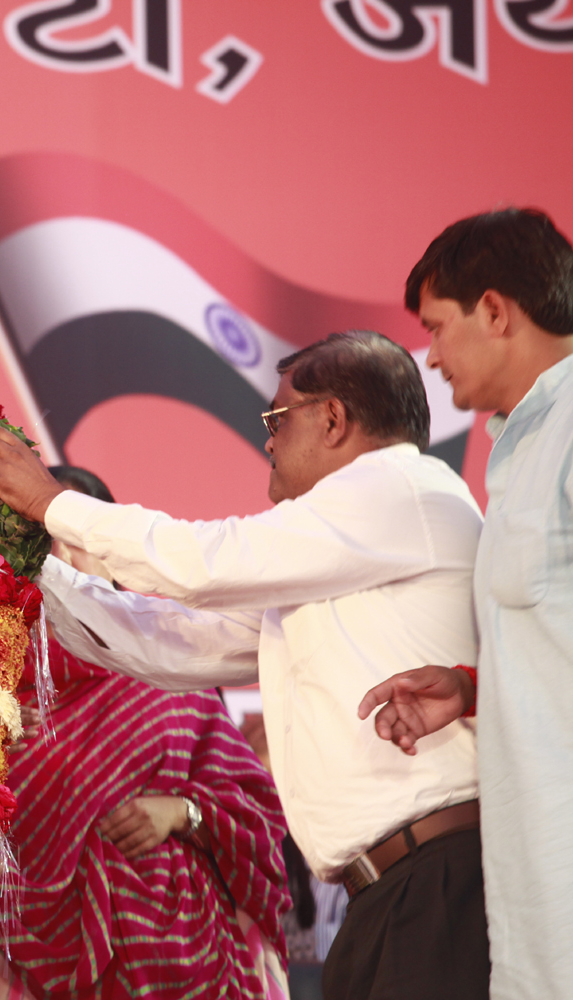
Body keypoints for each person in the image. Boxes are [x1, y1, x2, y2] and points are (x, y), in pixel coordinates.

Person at [0, 330, 488, 1000]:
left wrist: (51, 503)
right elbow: (175, 638)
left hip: (438, 883)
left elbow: (207, 560)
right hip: (388, 893)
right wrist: (21, 558)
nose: (267, 439)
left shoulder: (398, 489)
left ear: (333, 419)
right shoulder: (335, 552)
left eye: (277, 418)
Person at [358, 208, 573, 1000]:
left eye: (437, 327)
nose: (431, 356)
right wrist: (473, 687)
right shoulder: (522, 442)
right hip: (533, 876)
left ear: (495, 310)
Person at [0, 467, 291, 1000]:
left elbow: (258, 814)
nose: (63, 562)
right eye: (42, 544)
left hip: (197, 963)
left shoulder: (169, 674)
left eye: (76, 541)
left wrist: (183, 812)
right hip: (43, 971)